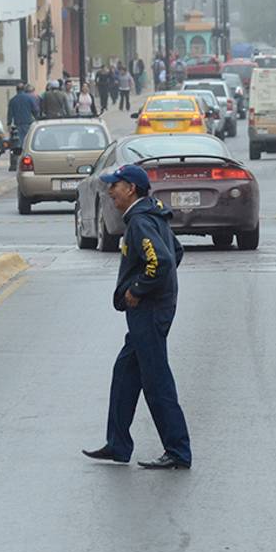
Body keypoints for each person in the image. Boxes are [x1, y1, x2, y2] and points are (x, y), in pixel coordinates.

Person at [82, 164, 191, 470]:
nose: (110, 191)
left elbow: (164, 261)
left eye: (114, 186)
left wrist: (140, 289)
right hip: (152, 310)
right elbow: (176, 251)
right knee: (125, 374)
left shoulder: (142, 221)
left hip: (149, 312)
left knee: (157, 383)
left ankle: (178, 451)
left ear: (130, 188)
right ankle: (118, 445)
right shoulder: (149, 217)